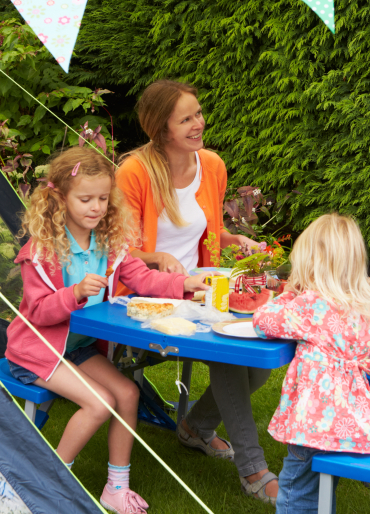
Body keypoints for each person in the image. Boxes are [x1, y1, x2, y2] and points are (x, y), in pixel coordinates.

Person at [5, 146, 209, 514]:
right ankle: (51, 483)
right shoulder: (43, 251)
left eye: (102, 198)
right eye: (85, 199)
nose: (96, 207)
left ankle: (116, 487)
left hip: (78, 350)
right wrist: (74, 293)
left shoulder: (108, 243)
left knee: (127, 394)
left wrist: (183, 286)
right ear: (59, 198)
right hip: (38, 351)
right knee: (99, 403)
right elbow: (36, 312)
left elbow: (142, 277)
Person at [116, 79, 280, 504]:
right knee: (229, 355)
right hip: (145, 295)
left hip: (201, 289)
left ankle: (193, 427)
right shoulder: (134, 172)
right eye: (185, 118)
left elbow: (206, 232)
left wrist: (235, 241)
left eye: (199, 113)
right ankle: (254, 469)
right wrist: (158, 260)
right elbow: (120, 249)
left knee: (260, 356)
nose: (198, 124)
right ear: (160, 127)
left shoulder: (212, 165)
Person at [252, 213, 370, 514]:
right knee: (322, 487)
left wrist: (287, 296)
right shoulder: (366, 310)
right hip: (352, 423)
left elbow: (263, 322)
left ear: (311, 264)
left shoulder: (310, 305)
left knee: (295, 490)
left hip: (314, 422)